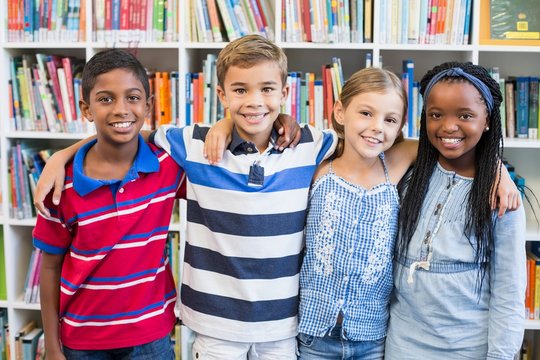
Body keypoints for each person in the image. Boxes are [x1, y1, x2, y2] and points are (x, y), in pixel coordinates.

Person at [33, 35, 336, 359]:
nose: (254, 100)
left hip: (279, 323)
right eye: (240, 90)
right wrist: (62, 154)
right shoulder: (194, 148)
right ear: (221, 95)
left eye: (266, 89)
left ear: (285, 93)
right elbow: (128, 132)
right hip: (209, 323)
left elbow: (365, 143)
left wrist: (269, 120)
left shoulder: (309, 145)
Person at [33, 49, 184, 359]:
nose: (121, 109)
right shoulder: (61, 186)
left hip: (150, 337)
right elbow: (49, 268)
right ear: (86, 110)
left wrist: (283, 119)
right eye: (105, 99)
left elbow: (227, 142)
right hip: (81, 341)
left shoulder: (169, 167)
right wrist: (51, 344)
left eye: (132, 98)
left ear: (148, 105)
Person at [385, 62, 526, 359]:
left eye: (465, 115)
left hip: (467, 349)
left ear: (487, 119)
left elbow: (509, 296)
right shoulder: (407, 176)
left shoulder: (502, 199)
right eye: (436, 115)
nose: (448, 126)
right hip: (401, 345)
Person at [296, 67, 415, 359]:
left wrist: (498, 172)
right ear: (339, 111)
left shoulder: (396, 165)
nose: (377, 127)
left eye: (390, 120)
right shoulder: (318, 165)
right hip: (314, 335)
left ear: (399, 127)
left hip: (371, 337)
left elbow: (452, 144)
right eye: (365, 113)